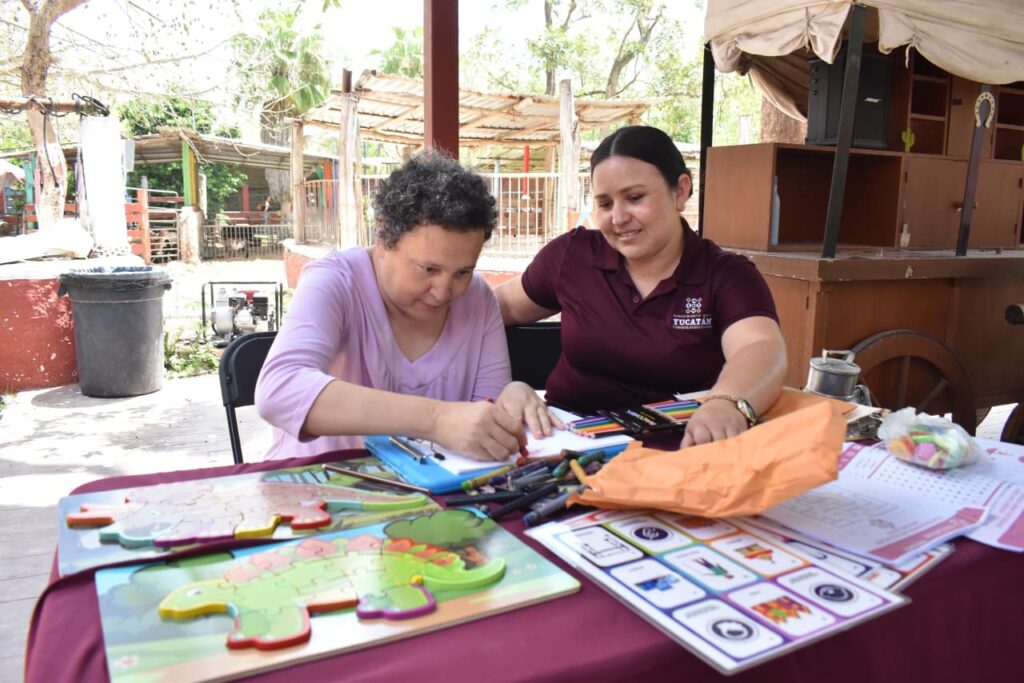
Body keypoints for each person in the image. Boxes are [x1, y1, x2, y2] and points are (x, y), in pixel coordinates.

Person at [496, 125, 787, 447]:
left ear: (680, 191)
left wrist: (726, 403)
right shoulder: (572, 256)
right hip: (565, 443)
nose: (618, 218)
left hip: (677, 449)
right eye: (605, 204)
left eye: (634, 198)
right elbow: (503, 306)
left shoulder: (725, 274)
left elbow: (759, 347)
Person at [256, 150, 554, 460]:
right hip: (317, 483)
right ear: (383, 240)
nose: (443, 292)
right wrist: (436, 420)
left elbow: (484, 422)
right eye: (429, 269)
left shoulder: (477, 299)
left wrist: (510, 398)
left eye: (463, 272)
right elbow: (280, 389)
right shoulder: (335, 281)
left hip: (438, 486)